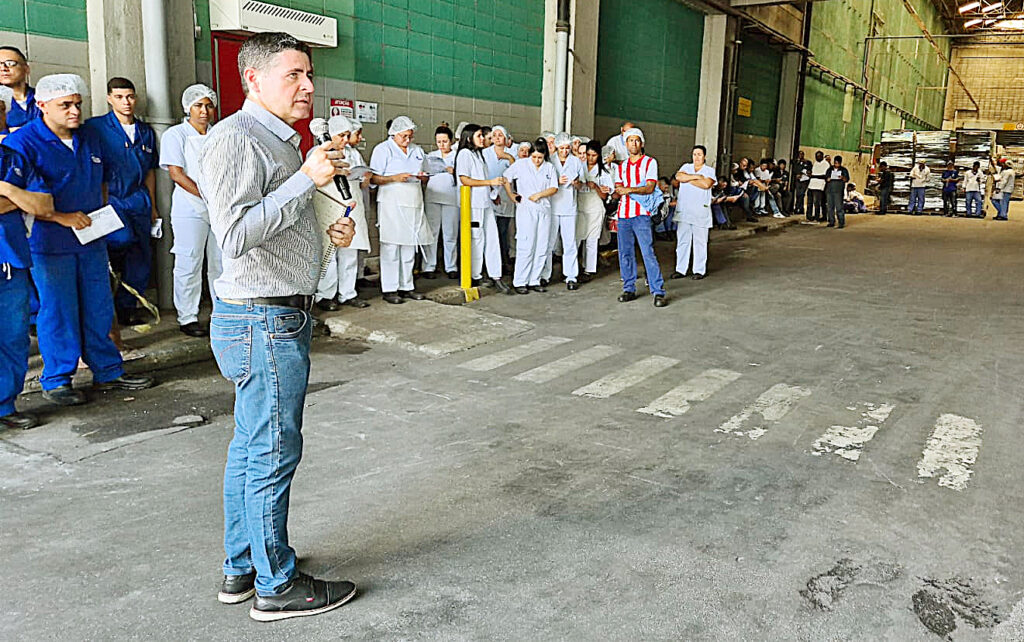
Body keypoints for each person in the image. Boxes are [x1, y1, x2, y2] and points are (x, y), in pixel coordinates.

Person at [198, 31, 358, 621]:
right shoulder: (235, 139)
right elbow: (235, 235)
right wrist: (306, 181)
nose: (309, 86)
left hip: (273, 312)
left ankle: (243, 566)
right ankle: (276, 583)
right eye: (293, 75)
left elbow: (281, 219)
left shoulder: (285, 142)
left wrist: (326, 229)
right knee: (271, 449)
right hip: (261, 319)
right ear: (254, 80)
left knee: (250, 448)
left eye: (309, 74)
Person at [1, 73, 154, 407]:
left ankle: (108, 370)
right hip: (49, 241)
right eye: (65, 105)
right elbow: (26, 198)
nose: (74, 111)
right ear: (41, 105)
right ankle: (57, 379)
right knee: (59, 309)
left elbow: (100, 182)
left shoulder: (88, 137)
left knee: (99, 304)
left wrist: (98, 218)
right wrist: (61, 218)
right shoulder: (22, 143)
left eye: (78, 104)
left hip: (90, 235)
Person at [0, 84, 57, 429]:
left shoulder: (13, 159)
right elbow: (28, 202)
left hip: (12, 261)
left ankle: (5, 405)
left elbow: (44, 204)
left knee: (13, 335)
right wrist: (17, 199)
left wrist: (6, 188)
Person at [82, 77, 158, 327]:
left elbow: (150, 172)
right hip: (110, 198)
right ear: (109, 98)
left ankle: (127, 307)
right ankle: (106, 301)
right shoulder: (95, 128)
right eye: (119, 97)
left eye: (130, 96)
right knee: (119, 241)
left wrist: (154, 206)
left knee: (141, 255)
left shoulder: (145, 131)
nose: (126, 102)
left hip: (138, 199)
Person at [160, 83, 221, 336]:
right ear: (188, 108)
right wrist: (205, 195)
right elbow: (177, 173)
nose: (204, 111)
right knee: (189, 261)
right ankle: (188, 316)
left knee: (221, 263)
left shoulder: (219, 134)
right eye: (198, 105)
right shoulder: (176, 135)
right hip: (190, 208)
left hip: (218, 207)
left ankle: (223, 312)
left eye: (208, 105)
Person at [369, 116, 432, 303]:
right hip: (391, 203)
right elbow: (374, 178)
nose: (407, 140)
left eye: (410, 137)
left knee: (409, 246)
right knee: (391, 246)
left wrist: (422, 177)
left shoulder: (417, 150)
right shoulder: (382, 150)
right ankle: (390, 289)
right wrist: (394, 178)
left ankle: (407, 286)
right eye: (404, 136)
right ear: (394, 134)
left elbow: (427, 174)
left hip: (414, 202)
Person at [311, 116, 370, 311]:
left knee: (350, 251)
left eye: (347, 135)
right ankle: (326, 295)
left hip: (351, 205)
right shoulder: (318, 153)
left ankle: (348, 292)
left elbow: (362, 178)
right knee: (329, 252)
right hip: (328, 204)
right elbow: (311, 179)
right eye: (341, 135)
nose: (345, 140)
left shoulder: (353, 154)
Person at [613, 127, 667, 307]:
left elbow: (650, 187)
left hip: (641, 214)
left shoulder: (650, 162)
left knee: (647, 252)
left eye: (636, 140)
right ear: (626, 144)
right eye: (630, 140)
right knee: (625, 253)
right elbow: (618, 190)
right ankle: (629, 288)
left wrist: (629, 189)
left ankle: (658, 291)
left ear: (641, 143)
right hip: (624, 215)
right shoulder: (622, 167)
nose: (633, 144)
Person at [456, 123, 509, 292]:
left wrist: (493, 190)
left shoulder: (478, 155)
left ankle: (496, 275)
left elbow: (481, 178)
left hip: (485, 203)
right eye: (479, 136)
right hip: (473, 205)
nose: (482, 139)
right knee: (476, 240)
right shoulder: (464, 154)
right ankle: (475, 275)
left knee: (492, 240)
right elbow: (464, 179)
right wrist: (490, 182)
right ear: (469, 137)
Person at [502, 138, 558, 293]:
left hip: (544, 209)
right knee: (526, 245)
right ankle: (520, 281)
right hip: (526, 210)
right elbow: (505, 179)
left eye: (540, 157)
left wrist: (539, 195)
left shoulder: (549, 168)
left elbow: (554, 187)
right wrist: (512, 196)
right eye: (534, 157)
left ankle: (535, 279)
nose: (537, 160)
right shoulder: (520, 165)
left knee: (541, 246)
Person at [543, 132, 584, 290]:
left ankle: (571, 276)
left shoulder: (576, 162)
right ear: (557, 147)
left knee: (569, 242)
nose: (565, 151)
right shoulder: (550, 161)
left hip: (569, 207)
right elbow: (544, 182)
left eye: (567, 148)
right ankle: (545, 274)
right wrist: (556, 181)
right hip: (552, 206)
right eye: (562, 148)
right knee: (549, 242)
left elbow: (582, 184)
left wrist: (575, 183)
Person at [671, 145, 716, 281]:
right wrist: (696, 177)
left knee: (700, 241)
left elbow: (706, 184)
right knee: (683, 241)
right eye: (694, 154)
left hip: (700, 211)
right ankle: (681, 269)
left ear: (704, 156)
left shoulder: (709, 170)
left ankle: (699, 270)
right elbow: (679, 177)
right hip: (685, 210)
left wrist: (688, 180)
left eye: (699, 154)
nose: (696, 157)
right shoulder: (686, 167)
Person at [424, 124, 459, 279]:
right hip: (433, 197)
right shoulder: (431, 156)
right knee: (432, 232)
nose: (442, 145)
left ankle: (451, 266)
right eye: (439, 141)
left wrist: (454, 171)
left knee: (450, 233)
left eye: (445, 141)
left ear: (451, 141)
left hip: (451, 197)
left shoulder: (458, 156)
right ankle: (429, 266)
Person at [577, 140, 613, 281]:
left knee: (591, 240)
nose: (590, 158)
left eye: (594, 155)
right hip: (580, 206)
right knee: (577, 238)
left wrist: (596, 187)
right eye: (588, 155)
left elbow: (605, 195)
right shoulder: (579, 167)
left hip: (595, 207)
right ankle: (574, 268)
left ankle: (589, 269)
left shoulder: (603, 172)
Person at [483, 125, 516, 271]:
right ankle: (488, 264)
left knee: (503, 231)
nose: (497, 137)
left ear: (506, 138)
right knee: (490, 231)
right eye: (494, 135)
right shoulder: (484, 153)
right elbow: (482, 175)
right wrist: (491, 192)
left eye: (500, 135)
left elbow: (516, 174)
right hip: (487, 195)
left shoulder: (512, 153)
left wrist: (508, 157)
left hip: (505, 197)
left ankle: (503, 260)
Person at [0, 47, 40, 132]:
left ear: (26, 69)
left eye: (10, 63)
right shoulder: (1, 103)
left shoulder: (44, 97)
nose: (3, 68)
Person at [825, 155, 850, 228]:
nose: (836, 165)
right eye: (835, 163)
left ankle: (841, 222)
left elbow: (847, 179)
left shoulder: (843, 170)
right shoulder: (829, 169)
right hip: (829, 190)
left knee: (839, 207)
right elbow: (826, 178)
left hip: (838, 191)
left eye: (838, 163)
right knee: (830, 207)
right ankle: (831, 221)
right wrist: (828, 179)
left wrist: (842, 177)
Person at [808, 151, 829, 221]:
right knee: (810, 202)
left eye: (819, 156)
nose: (817, 157)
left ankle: (817, 216)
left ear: (822, 156)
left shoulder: (826, 164)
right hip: (811, 185)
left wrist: (814, 176)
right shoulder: (815, 163)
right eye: (816, 156)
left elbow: (824, 176)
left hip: (819, 186)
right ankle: (809, 216)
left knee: (817, 202)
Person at [792, 151, 811, 217]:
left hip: (805, 180)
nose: (800, 155)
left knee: (802, 194)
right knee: (798, 194)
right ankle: (800, 208)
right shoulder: (796, 162)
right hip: (798, 180)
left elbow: (809, 170)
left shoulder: (807, 162)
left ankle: (798, 208)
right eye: (799, 154)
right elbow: (794, 170)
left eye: (802, 154)